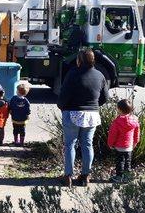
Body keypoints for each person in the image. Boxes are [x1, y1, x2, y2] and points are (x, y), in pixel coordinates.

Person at [57, 48, 109, 187]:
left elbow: (64, 94)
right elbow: (105, 98)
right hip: (92, 114)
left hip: (72, 112)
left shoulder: (72, 74)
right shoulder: (100, 75)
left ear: (79, 60)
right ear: (93, 60)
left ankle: (68, 176)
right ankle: (85, 175)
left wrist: (61, 106)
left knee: (70, 145)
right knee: (87, 144)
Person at [108, 99, 140, 183]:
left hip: (119, 146)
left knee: (120, 163)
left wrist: (110, 144)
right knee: (128, 162)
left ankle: (119, 177)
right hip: (129, 146)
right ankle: (127, 177)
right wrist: (135, 142)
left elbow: (112, 134)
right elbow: (137, 133)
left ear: (119, 109)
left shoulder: (117, 122)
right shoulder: (135, 120)